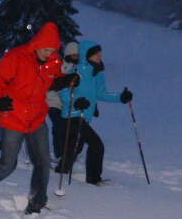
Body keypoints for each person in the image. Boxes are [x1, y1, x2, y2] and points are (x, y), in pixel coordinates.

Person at [0, 22, 79, 214]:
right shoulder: (16, 57)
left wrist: (66, 80)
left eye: (53, 50)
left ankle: (37, 202)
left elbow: (53, 80)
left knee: (43, 161)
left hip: (37, 118)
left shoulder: (53, 61)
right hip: (13, 116)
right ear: (38, 44)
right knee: (8, 163)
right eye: (46, 49)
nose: (49, 53)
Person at [55, 41, 133, 185]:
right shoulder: (75, 70)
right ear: (87, 54)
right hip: (72, 115)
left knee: (74, 147)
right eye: (96, 53)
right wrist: (75, 101)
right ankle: (93, 179)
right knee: (97, 145)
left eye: (100, 52)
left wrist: (121, 97)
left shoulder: (97, 72)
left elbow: (101, 94)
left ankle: (61, 171)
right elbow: (63, 89)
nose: (100, 55)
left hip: (85, 115)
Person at [46, 42, 79, 161]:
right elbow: (52, 82)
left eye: (77, 56)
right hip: (53, 101)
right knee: (58, 125)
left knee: (68, 128)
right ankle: (59, 152)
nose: (75, 58)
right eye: (73, 55)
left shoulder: (77, 68)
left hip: (67, 104)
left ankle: (67, 153)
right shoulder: (60, 65)